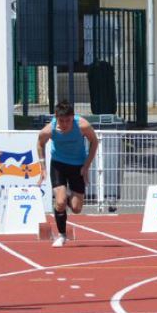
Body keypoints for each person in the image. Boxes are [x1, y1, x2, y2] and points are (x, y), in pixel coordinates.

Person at [35, 100, 100, 247]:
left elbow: (94, 142)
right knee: (60, 201)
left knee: (76, 208)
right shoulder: (49, 130)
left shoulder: (82, 125)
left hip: (78, 166)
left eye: (68, 120)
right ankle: (62, 235)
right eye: (61, 121)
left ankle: (66, 198)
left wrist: (86, 165)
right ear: (56, 117)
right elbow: (40, 143)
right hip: (59, 165)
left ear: (73, 117)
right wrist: (43, 168)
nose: (64, 124)